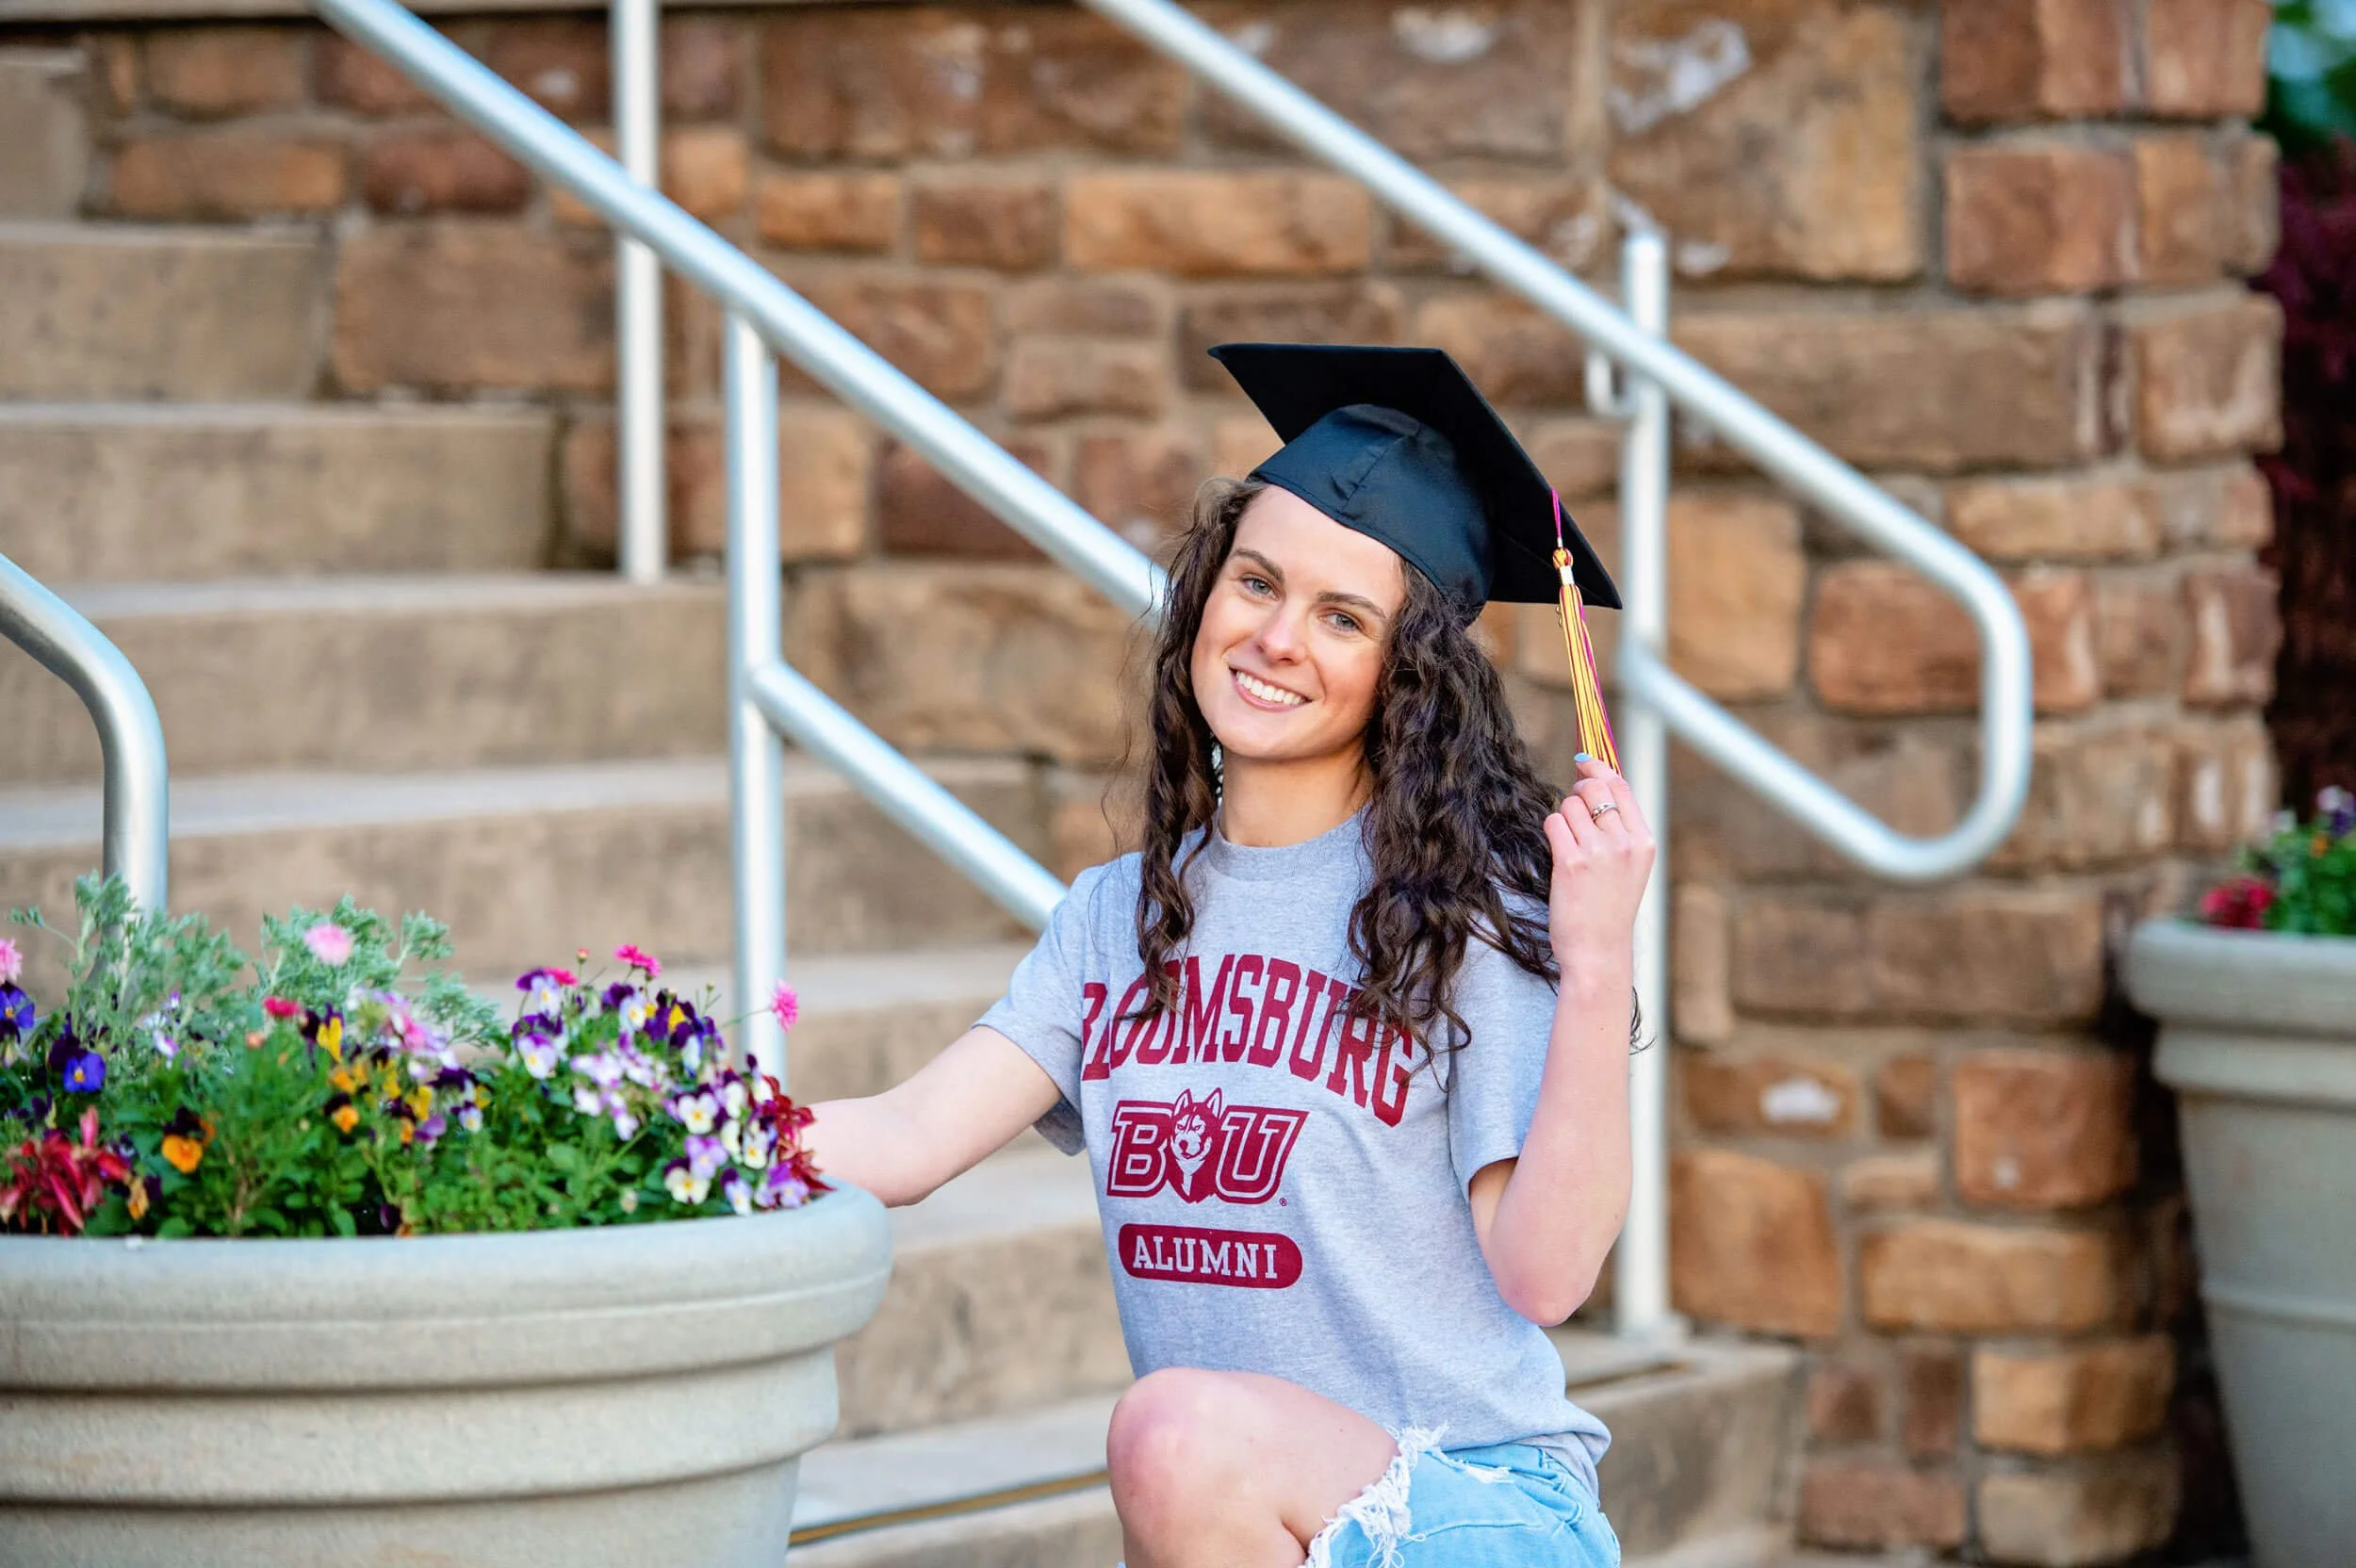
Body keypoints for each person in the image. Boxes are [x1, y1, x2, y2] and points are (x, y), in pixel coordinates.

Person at [803, 343, 1652, 1568]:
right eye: (1257, 582)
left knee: (1176, 1436)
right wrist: (650, 1120)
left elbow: (1549, 1275)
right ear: (1205, 591)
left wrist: (1598, 964)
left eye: (1344, 617)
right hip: (1249, 1517)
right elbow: (901, 1139)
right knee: (1182, 1444)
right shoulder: (1118, 920)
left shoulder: (1465, 911)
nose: (1278, 638)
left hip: (1479, 1512)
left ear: (1406, 675)